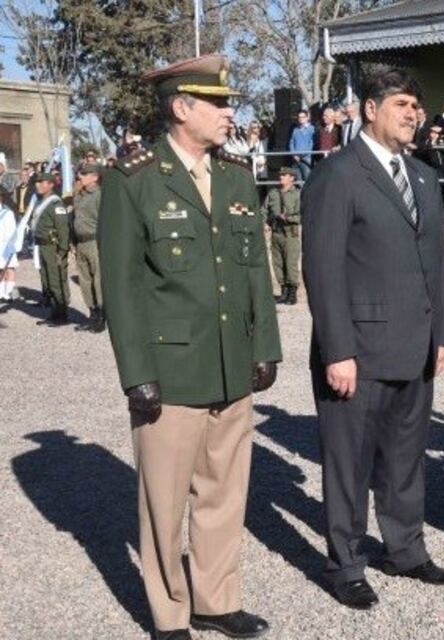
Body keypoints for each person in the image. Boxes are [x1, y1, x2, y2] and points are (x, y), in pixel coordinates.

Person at [98, 54, 282, 640]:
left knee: (224, 493)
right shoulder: (134, 180)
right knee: (164, 500)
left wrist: (265, 346)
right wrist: (136, 373)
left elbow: (254, 273)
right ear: (181, 108)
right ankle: (170, 612)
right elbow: (121, 287)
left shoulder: (235, 177)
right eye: (218, 104)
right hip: (171, 368)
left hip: (231, 364)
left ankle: (216, 600)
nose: (230, 114)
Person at [301, 69, 444, 610]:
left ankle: (405, 549)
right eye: (402, 104)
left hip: (416, 344)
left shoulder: (424, 176)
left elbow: (436, 260)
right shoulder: (338, 174)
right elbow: (323, 269)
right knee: (349, 463)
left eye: (417, 105)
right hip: (359, 351)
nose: (413, 114)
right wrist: (337, 350)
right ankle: (345, 563)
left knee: (405, 458)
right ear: (370, 109)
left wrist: (442, 332)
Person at [31, 172, 71, 326]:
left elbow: (63, 229)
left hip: (53, 247)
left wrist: (62, 251)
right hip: (42, 245)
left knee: (56, 280)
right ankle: (54, 312)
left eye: (42, 182)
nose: (38, 185)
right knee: (47, 279)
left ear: (51, 185)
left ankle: (62, 314)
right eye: (37, 182)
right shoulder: (41, 201)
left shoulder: (56, 204)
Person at [71, 163, 105, 332]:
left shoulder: (100, 195)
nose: (80, 177)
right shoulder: (79, 195)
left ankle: (101, 317)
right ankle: (92, 314)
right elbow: (74, 220)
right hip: (81, 242)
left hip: (94, 242)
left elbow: (105, 221)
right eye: (80, 174)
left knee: (98, 280)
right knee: (85, 280)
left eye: (84, 174)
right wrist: (73, 242)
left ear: (95, 177)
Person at [263, 166, 302, 305]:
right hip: (276, 233)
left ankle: (292, 294)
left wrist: (288, 218)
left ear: (292, 178)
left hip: (290, 234)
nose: (281, 177)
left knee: (291, 264)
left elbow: (302, 215)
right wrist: (265, 222)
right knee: (278, 264)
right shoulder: (273, 193)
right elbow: (264, 210)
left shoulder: (297, 195)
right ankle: (283, 292)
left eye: (284, 175)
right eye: (280, 175)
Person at [0, 191, 17, 303]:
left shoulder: (7, 213)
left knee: (9, 269)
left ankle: (8, 293)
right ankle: (1, 293)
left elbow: (11, 231)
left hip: (6, 245)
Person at [289, 109, 315, 180]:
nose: (301, 119)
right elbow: (291, 142)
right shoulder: (295, 130)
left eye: (303, 117)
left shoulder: (312, 129)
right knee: (298, 179)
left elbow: (312, 143)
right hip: (295, 158)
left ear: (307, 118)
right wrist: (294, 154)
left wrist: (302, 155)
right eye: (299, 117)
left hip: (306, 158)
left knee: (307, 178)